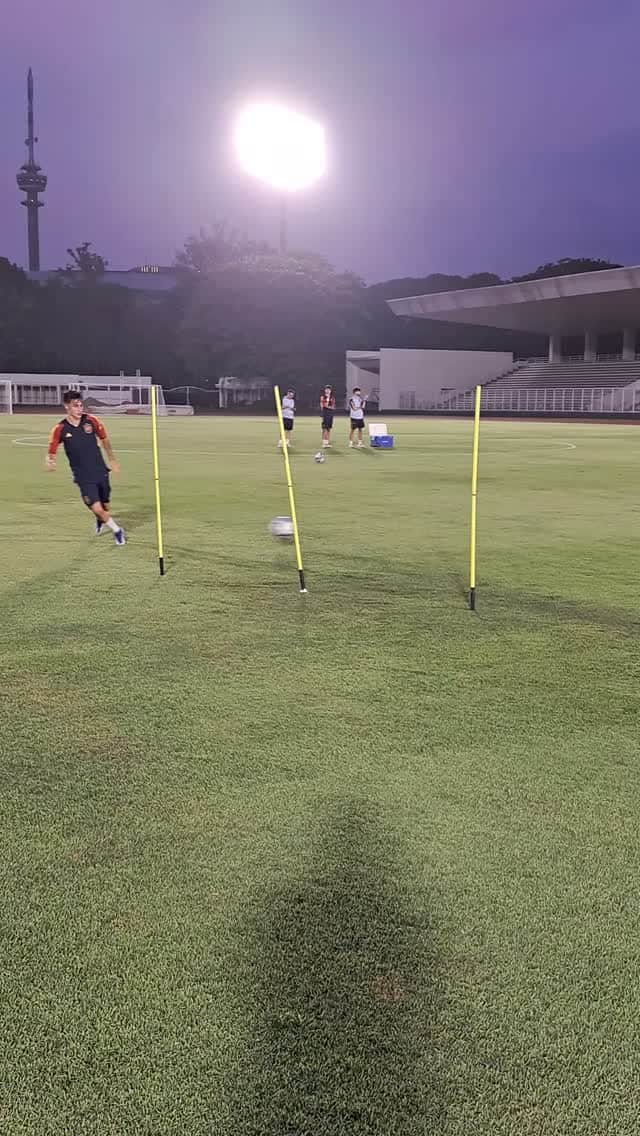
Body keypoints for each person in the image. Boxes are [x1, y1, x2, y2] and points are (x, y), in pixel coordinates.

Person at [46, 390, 126, 545]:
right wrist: (51, 460)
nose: (79, 408)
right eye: (75, 405)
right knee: (96, 507)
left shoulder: (91, 421)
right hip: (83, 476)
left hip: (100, 471)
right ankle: (117, 530)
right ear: (66, 407)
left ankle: (101, 519)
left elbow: (104, 439)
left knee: (105, 506)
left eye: (81, 405)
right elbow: (52, 448)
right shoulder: (60, 428)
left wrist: (112, 460)